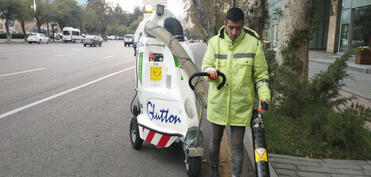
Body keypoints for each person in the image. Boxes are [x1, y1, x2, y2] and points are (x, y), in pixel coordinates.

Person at [201, 7, 271, 177]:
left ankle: (236, 175)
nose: (234, 32)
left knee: (237, 145)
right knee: (214, 142)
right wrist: (210, 71)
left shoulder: (254, 44)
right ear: (225, 24)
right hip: (218, 104)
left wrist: (264, 97)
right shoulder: (214, 43)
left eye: (238, 28)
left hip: (240, 106)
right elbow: (205, 66)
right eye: (230, 27)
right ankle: (215, 171)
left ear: (243, 25)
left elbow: (261, 75)